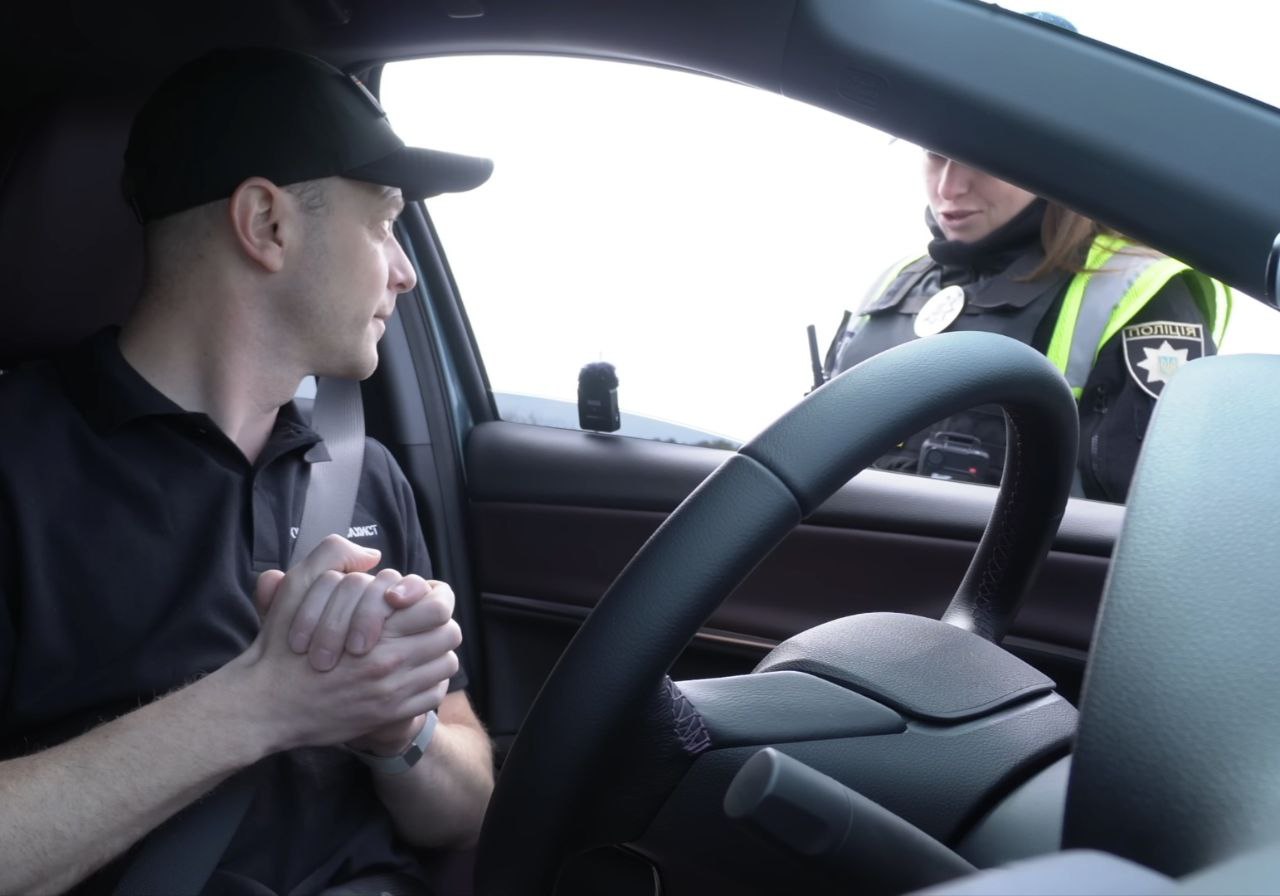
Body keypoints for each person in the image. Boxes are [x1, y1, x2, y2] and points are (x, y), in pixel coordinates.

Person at [0, 48, 497, 894]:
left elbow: (469, 802)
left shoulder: (366, 472)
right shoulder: (19, 463)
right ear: (267, 224)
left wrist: (395, 732)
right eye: (383, 223)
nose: (405, 271)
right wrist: (264, 704)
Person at [824, 135, 1228, 502]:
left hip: (1009, 563)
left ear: (1048, 160)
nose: (949, 188)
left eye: (980, 159)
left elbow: (1156, 517)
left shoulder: (1136, 289)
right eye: (935, 154)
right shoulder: (895, 279)